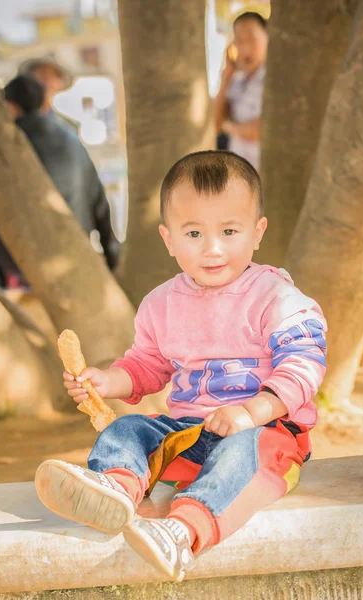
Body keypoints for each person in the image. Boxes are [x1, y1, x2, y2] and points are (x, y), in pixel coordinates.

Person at [35, 151, 327, 582]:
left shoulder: (276, 297)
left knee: (240, 452)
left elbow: (303, 366)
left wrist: (251, 412)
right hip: (189, 434)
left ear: (257, 232)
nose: (212, 248)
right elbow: (147, 364)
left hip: (267, 434)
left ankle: (182, 531)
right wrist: (108, 380)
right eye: (193, 233)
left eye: (229, 231)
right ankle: (116, 487)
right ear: (169, 238)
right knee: (126, 429)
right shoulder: (161, 304)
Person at [0, 75, 120, 287]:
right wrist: (111, 258)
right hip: (77, 255)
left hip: (22, 267)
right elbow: (100, 203)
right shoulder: (72, 138)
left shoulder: (5, 148)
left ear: (10, 105)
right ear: (43, 102)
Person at [214, 12, 268, 170]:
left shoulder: (273, 81)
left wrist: (228, 126)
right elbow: (216, 123)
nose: (245, 48)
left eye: (251, 39)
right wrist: (226, 77)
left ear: (267, 38)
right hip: (238, 176)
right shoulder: (237, 81)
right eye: (239, 40)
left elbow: (259, 131)